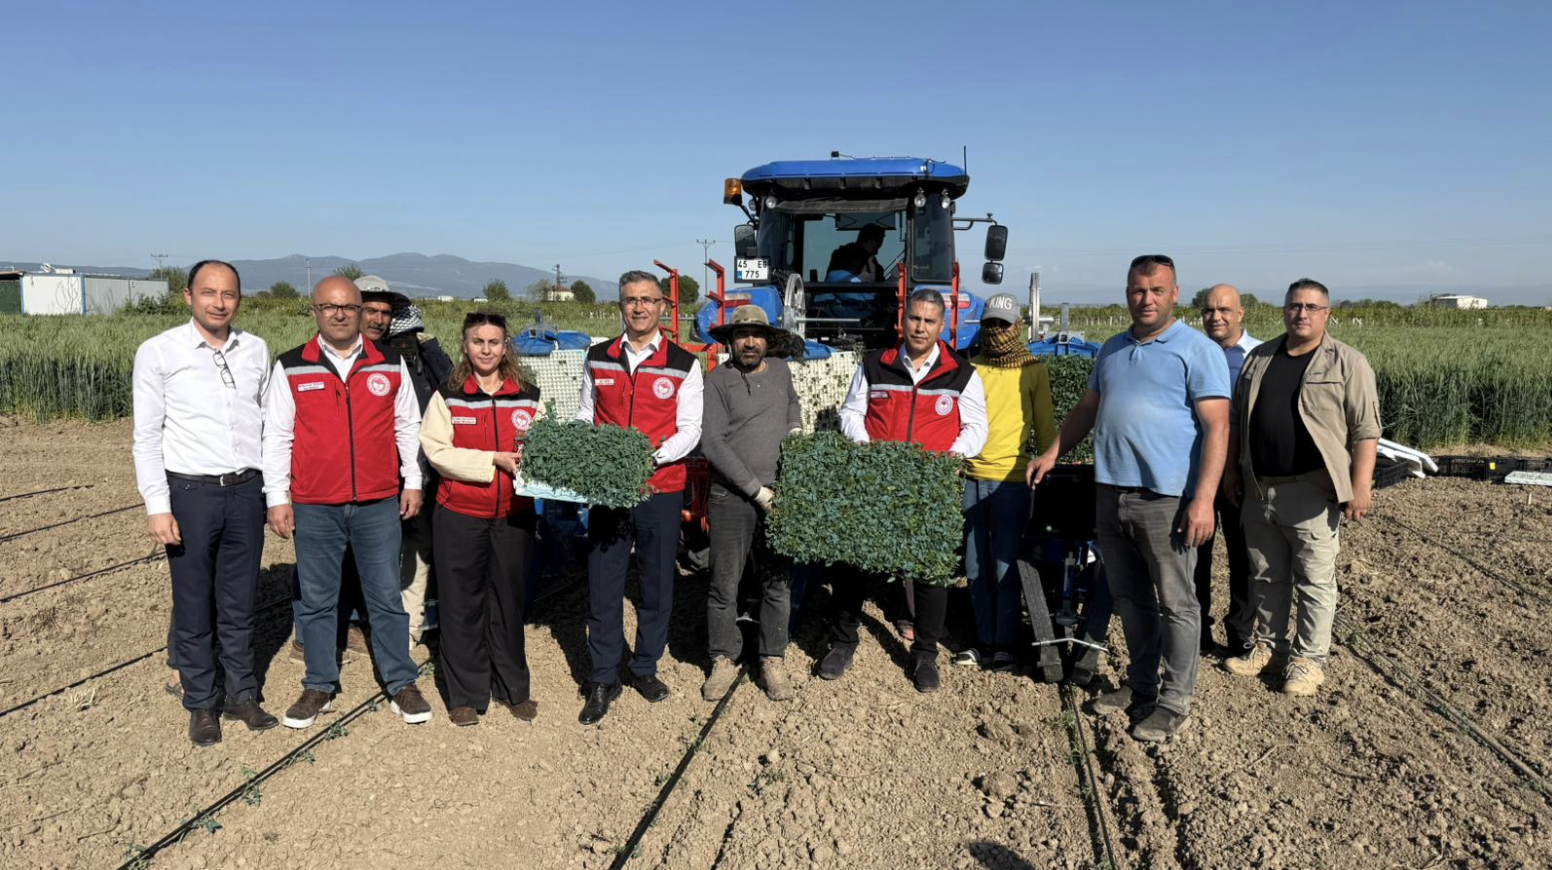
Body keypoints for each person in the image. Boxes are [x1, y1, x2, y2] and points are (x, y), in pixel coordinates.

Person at [1027, 255, 1229, 743]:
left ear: (1175, 293)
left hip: (1166, 499)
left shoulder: (1196, 351)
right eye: (1138, 290)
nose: (1146, 299)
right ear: (1127, 293)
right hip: (1111, 492)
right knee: (1131, 600)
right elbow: (1087, 410)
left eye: (1157, 290)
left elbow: (1217, 427)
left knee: (1177, 603)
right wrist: (1053, 452)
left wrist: (1203, 500)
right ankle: (1141, 689)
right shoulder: (1113, 350)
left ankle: (1174, 701)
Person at [262, 276, 433, 729]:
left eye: (348, 307)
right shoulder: (292, 366)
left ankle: (400, 681)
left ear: (361, 312)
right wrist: (277, 497)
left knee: (384, 596)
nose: (339, 314)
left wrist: (412, 482)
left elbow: (407, 427)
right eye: (329, 306)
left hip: (378, 503)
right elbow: (277, 436)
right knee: (318, 599)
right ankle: (319, 683)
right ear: (315, 312)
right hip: (315, 505)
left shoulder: (390, 363)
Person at [132, 259, 278, 746]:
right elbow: (146, 437)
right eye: (209, 292)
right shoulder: (159, 352)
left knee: (239, 604)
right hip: (190, 493)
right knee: (194, 605)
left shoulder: (255, 350)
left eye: (229, 294)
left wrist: (272, 491)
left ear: (239, 299)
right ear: (188, 297)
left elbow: (268, 427)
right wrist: (158, 504)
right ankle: (201, 703)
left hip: (245, 491)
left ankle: (242, 694)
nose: (220, 302)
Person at [1223, 278, 1380, 696]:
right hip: (1260, 487)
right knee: (1266, 576)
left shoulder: (1347, 362)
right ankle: (1269, 650)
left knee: (1313, 580)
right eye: (1295, 305)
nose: (1302, 313)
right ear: (1284, 310)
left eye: (1312, 307)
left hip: (1311, 490)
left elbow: (1366, 429)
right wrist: (1232, 471)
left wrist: (1360, 483)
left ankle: (1309, 661)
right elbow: (1237, 420)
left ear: (1326, 314)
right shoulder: (1260, 358)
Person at [827, 288, 988, 693]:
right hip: (875, 483)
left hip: (928, 489)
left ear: (942, 325)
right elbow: (852, 411)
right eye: (915, 318)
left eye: (929, 321)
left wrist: (952, 456)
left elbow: (976, 427)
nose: (920, 327)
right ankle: (843, 642)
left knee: (930, 572)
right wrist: (864, 447)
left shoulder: (962, 373)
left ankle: (926, 655)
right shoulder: (874, 364)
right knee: (853, 564)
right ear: (904, 318)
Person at [573, 270, 704, 725]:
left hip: (660, 487)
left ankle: (644, 666)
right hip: (609, 491)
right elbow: (584, 416)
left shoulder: (685, 363)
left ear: (663, 308)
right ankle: (603, 676)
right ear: (620, 306)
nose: (639, 307)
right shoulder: (597, 358)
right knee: (604, 583)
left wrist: (651, 458)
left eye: (648, 300)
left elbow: (690, 430)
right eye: (630, 300)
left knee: (656, 583)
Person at [419, 311, 542, 726]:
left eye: (494, 342)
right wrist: (491, 459)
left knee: (508, 601)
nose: (486, 350)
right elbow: (437, 451)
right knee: (461, 604)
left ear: (505, 346)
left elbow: (543, 445)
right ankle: (465, 694)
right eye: (477, 342)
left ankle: (513, 688)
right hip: (459, 515)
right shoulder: (449, 394)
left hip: (514, 515)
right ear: (465, 345)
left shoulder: (528, 394)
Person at [699, 305, 804, 703]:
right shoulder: (718, 381)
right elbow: (712, 443)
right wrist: (757, 492)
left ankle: (772, 657)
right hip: (733, 497)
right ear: (730, 340)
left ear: (768, 340)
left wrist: (794, 429)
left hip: (781, 493)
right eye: (742, 334)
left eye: (756, 334)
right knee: (724, 582)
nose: (749, 341)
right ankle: (722, 658)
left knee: (778, 582)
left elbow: (792, 403)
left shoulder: (780, 371)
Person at [960, 293, 1055, 672]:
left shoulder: (1032, 370)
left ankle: (1005, 643)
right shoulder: (971, 368)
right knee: (974, 567)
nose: (996, 331)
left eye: (1004, 324)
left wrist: (1045, 472)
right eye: (990, 324)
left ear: (1018, 327)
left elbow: (1045, 430)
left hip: (1012, 482)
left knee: (1004, 568)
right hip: (971, 478)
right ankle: (982, 640)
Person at [359, 276, 453, 647]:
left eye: (384, 311)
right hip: (388, 475)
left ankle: (402, 632)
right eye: (370, 309)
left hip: (407, 473)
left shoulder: (401, 358)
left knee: (409, 551)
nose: (378, 318)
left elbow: (414, 420)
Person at [1195, 284, 1262, 654]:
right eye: (1208, 310)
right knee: (1195, 552)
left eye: (1223, 310)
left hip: (1241, 472)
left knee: (1244, 556)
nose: (1215, 317)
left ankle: (1241, 634)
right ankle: (1197, 632)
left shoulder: (1258, 356)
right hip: (1198, 469)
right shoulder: (1193, 352)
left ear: (1241, 314)